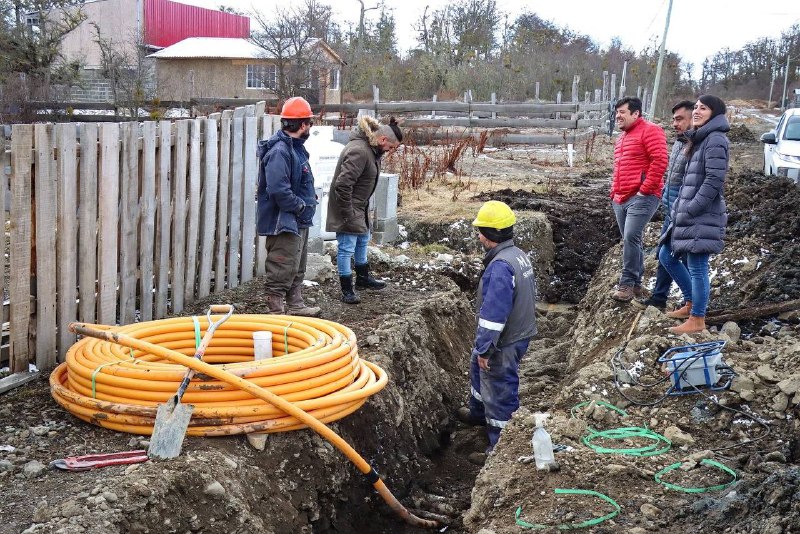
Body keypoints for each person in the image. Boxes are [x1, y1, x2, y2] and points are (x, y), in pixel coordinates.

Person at [456, 201, 537, 454]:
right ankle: (479, 413)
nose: (478, 235)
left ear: (490, 234)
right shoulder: (517, 255)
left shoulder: (501, 267)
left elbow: (493, 316)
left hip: (503, 339)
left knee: (499, 387)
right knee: (477, 371)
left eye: (480, 230)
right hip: (516, 331)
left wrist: (485, 349)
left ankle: (499, 446)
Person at [658, 95, 729, 334]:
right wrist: (681, 206)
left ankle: (698, 319)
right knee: (666, 255)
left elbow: (713, 180)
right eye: (696, 107)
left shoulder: (716, 139)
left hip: (701, 215)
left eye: (703, 108)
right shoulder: (700, 138)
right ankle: (690, 303)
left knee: (698, 267)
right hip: (686, 211)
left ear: (715, 113)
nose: (697, 111)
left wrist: (691, 208)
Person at [326, 115, 402, 304]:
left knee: (362, 240)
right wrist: (347, 213)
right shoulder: (360, 151)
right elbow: (343, 185)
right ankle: (347, 290)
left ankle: (362, 279)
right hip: (349, 207)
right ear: (383, 139)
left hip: (360, 206)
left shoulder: (371, 150)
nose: (390, 151)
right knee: (346, 248)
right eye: (391, 147)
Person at [256, 96, 320, 317]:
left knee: (295, 264)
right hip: (284, 220)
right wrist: (300, 206)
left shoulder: (294, 148)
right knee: (281, 264)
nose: (311, 126)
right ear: (302, 124)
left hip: (296, 218)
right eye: (310, 122)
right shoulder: (280, 151)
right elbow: (278, 190)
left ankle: (296, 304)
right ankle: (276, 310)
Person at [633, 100, 694, 310]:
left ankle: (693, 302)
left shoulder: (696, 145)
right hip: (671, 206)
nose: (674, 123)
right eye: (674, 119)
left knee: (673, 256)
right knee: (664, 253)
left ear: (692, 119)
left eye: (680, 119)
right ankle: (659, 298)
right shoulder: (679, 142)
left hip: (683, 209)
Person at [610, 96, 669, 301]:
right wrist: (614, 193)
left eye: (622, 112)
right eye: (617, 112)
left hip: (642, 196)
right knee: (631, 240)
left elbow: (660, 160)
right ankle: (636, 285)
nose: (618, 116)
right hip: (620, 197)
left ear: (636, 113)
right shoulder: (622, 138)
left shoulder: (651, 130)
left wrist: (644, 190)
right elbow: (619, 168)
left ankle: (626, 284)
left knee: (631, 237)